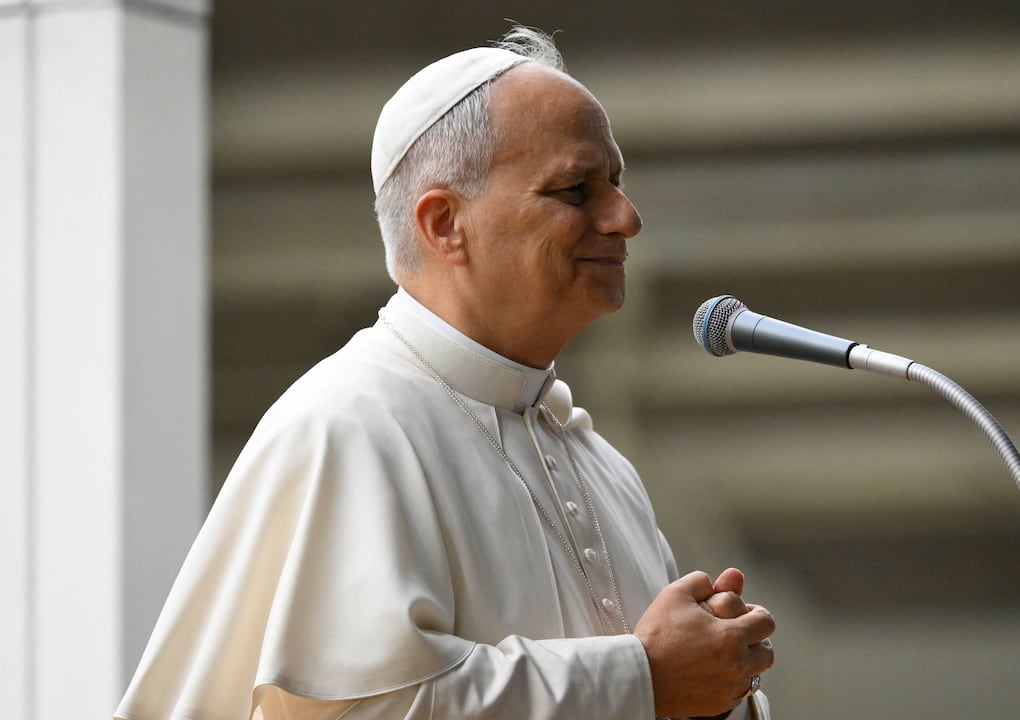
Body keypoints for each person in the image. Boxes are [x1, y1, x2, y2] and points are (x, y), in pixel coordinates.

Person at [114, 25, 775, 720]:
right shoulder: (347, 425)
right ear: (443, 224)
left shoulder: (603, 466)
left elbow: (665, 687)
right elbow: (359, 711)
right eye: (577, 189)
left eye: (617, 183)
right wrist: (640, 678)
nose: (626, 218)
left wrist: (719, 688)